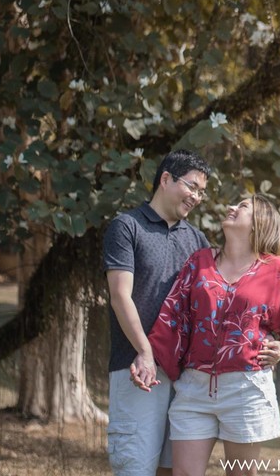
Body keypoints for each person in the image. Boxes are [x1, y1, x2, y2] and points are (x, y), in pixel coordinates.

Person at [146, 194, 280, 476]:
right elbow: (172, 314)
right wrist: (149, 358)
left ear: (259, 222)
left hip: (245, 388)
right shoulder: (199, 262)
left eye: (242, 207)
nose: (231, 208)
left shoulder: (277, 271)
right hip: (194, 387)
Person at [103, 150, 212, 476]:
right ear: (166, 179)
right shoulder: (126, 227)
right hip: (137, 371)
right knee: (134, 469)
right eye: (191, 187)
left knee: (172, 470)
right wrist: (144, 351)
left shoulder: (198, 240)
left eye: (201, 192)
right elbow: (120, 295)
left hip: (184, 379)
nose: (196, 197)